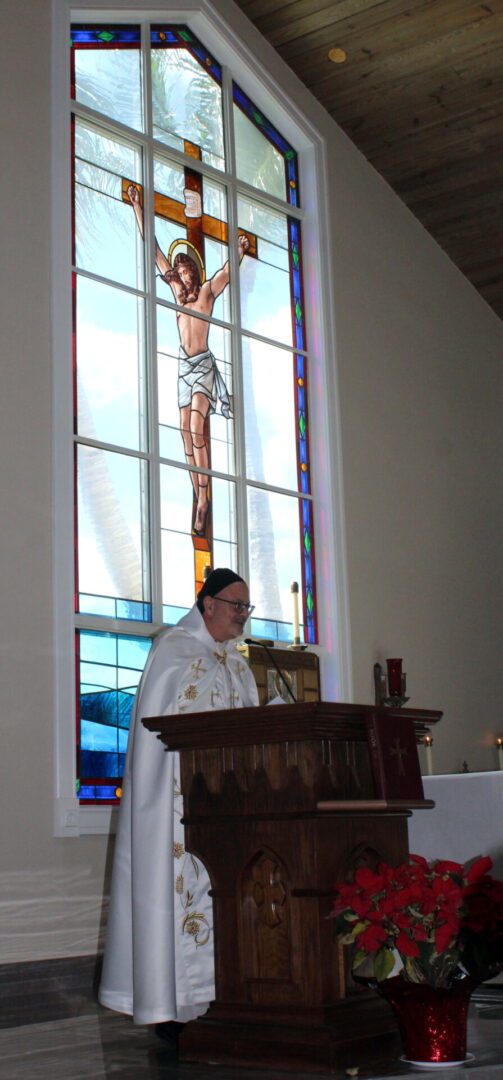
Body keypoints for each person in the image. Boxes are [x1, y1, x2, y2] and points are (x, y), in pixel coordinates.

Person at [98, 569, 258, 1032]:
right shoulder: (174, 650)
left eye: (247, 608)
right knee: (180, 898)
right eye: (235, 605)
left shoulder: (238, 663)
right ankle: (175, 1009)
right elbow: (159, 732)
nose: (242, 616)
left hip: (229, 808)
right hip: (176, 808)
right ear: (207, 604)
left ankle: (227, 1000)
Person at [128, 184, 250, 534]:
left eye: (185, 272)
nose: (181, 277)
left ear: (194, 272)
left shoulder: (207, 294)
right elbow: (152, 250)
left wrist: (239, 251)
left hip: (203, 369)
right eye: (177, 273)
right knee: (184, 432)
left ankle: (205, 495)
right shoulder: (178, 297)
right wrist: (139, 206)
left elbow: (227, 272)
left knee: (197, 427)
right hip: (184, 367)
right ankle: (198, 493)